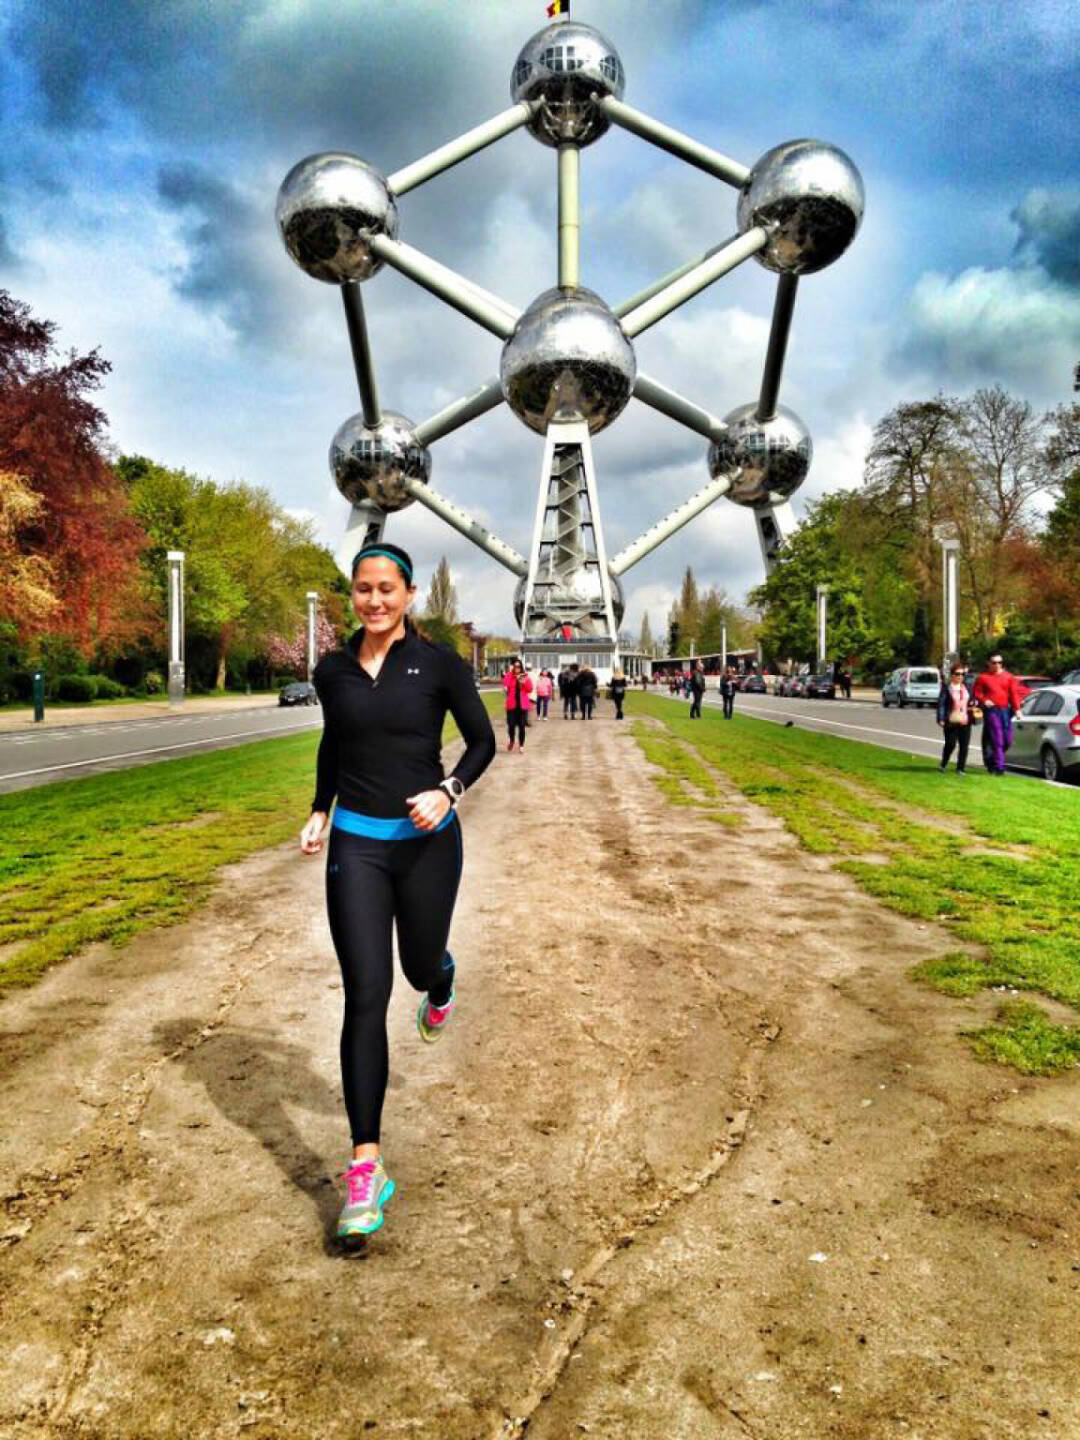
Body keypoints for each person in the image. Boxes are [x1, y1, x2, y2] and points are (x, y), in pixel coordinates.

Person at [300, 542, 496, 1244]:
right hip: (356, 843)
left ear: (410, 594)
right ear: (351, 596)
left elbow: (481, 744)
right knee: (366, 994)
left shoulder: (439, 665)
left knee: (416, 966)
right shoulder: (332, 669)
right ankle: (365, 1166)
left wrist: (448, 792)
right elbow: (335, 743)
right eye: (362, 589)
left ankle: (441, 981)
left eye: (387, 589)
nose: (375, 601)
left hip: (426, 844)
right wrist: (321, 807)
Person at [973, 653, 1023, 775]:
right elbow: (977, 693)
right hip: (992, 711)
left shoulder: (1009, 677)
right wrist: (985, 700)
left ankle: (991, 760)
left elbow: (1014, 694)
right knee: (997, 737)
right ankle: (999, 767)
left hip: (1005, 710)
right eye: (994, 662)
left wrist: (1017, 709)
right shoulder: (983, 677)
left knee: (1008, 740)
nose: (997, 665)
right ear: (989, 664)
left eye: (999, 662)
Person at [936, 661, 973, 774]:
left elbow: (971, 701)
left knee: (964, 746)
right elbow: (941, 704)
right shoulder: (947, 688)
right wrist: (941, 718)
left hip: (965, 720)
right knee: (951, 744)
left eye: (962, 674)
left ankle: (960, 768)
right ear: (952, 675)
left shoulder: (967, 688)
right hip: (951, 720)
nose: (960, 676)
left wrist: (974, 706)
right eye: (957, 674)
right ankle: (943, 764)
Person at [502, 658, 533, 751]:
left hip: (522, 706)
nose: (517, 668)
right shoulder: (509, 675)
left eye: (518, 666)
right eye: (515, 666)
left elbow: (530, 689)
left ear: (521, 667)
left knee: (522, 727)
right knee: (511, 725)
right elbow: (505, 685)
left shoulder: (525, 677)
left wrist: (523, 682)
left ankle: (521, 745)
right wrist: (511, 677)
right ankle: (512, 741)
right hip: (511, 705)